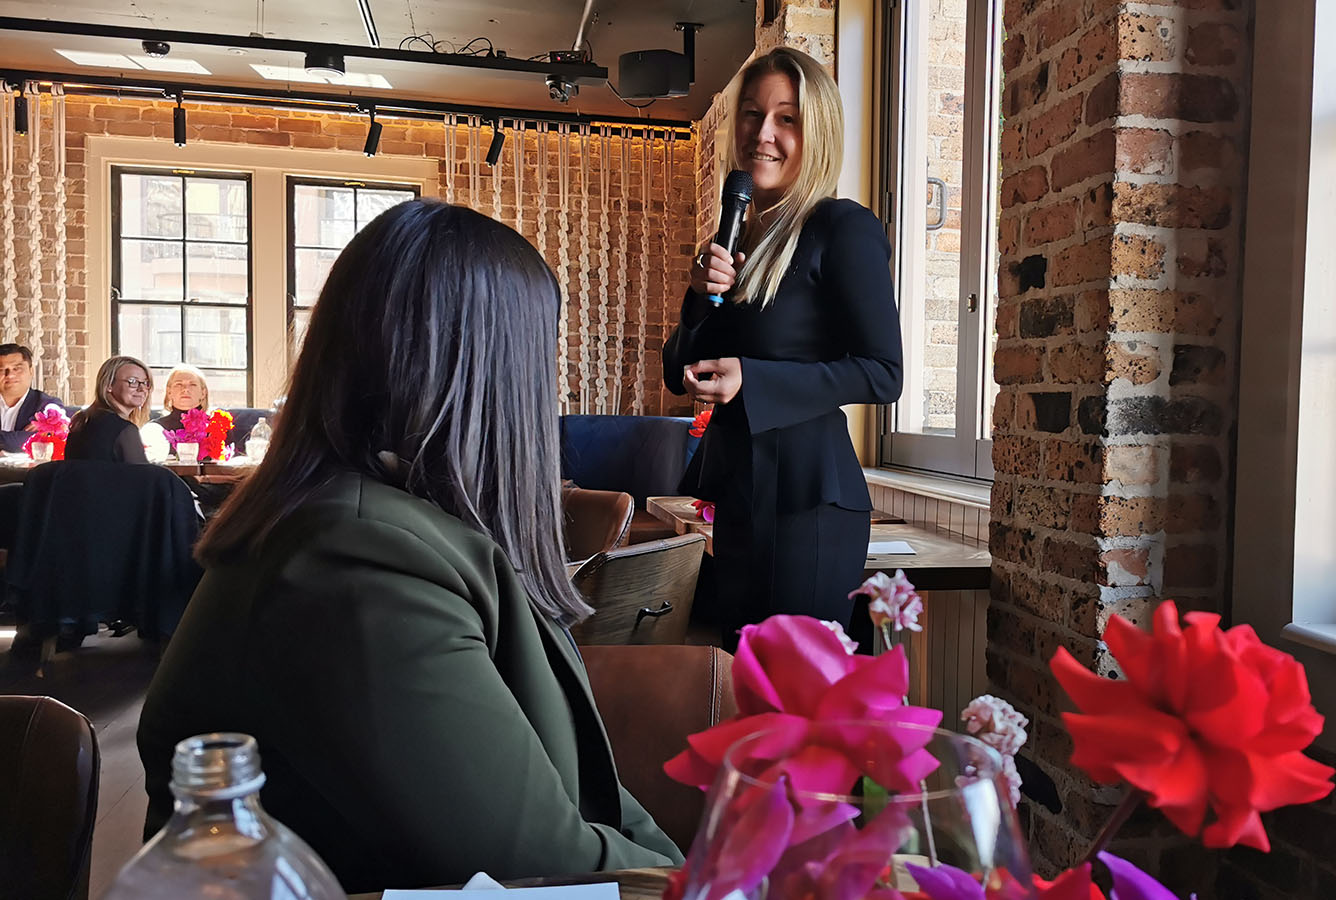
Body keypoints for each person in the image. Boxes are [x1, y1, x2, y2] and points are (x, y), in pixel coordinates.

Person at [136, 199, 682, 893]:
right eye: (542, 356)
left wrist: (687, 872)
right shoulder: (355, 561)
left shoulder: (371, 526)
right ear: (494, 373)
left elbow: (589, 798)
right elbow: (542, 868)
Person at [663, 47, 902, 643]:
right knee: (744, 692)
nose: (762, 133)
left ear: (814, 132)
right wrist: (699, 297)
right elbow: (677, 370)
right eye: (750, 114)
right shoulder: (736, 235)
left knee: (795, 702)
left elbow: (883, 372)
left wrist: (754, 379)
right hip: (735, 494)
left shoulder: (841, 228)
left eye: (786, 118)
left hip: (808, 502)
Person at [64, 356, 153, 463]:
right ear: (109, 385)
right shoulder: (124, 429)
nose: (142, 389)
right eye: (132, 381)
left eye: (145, 383)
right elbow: (143, 476)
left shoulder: (82, 419)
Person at [0, 343, 64, 453]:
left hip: (27, 470)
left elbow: (33, 442)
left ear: (31, 371)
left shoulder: (47, 406)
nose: (10, 375)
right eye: (1, 370)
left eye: (17, 368)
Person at [154, 364, 210, 434]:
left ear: (203, 393)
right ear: (169, 392)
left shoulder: (219, 427)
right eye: (179, 384)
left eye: (192, 384)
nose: (185, 389)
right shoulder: (155, 429)